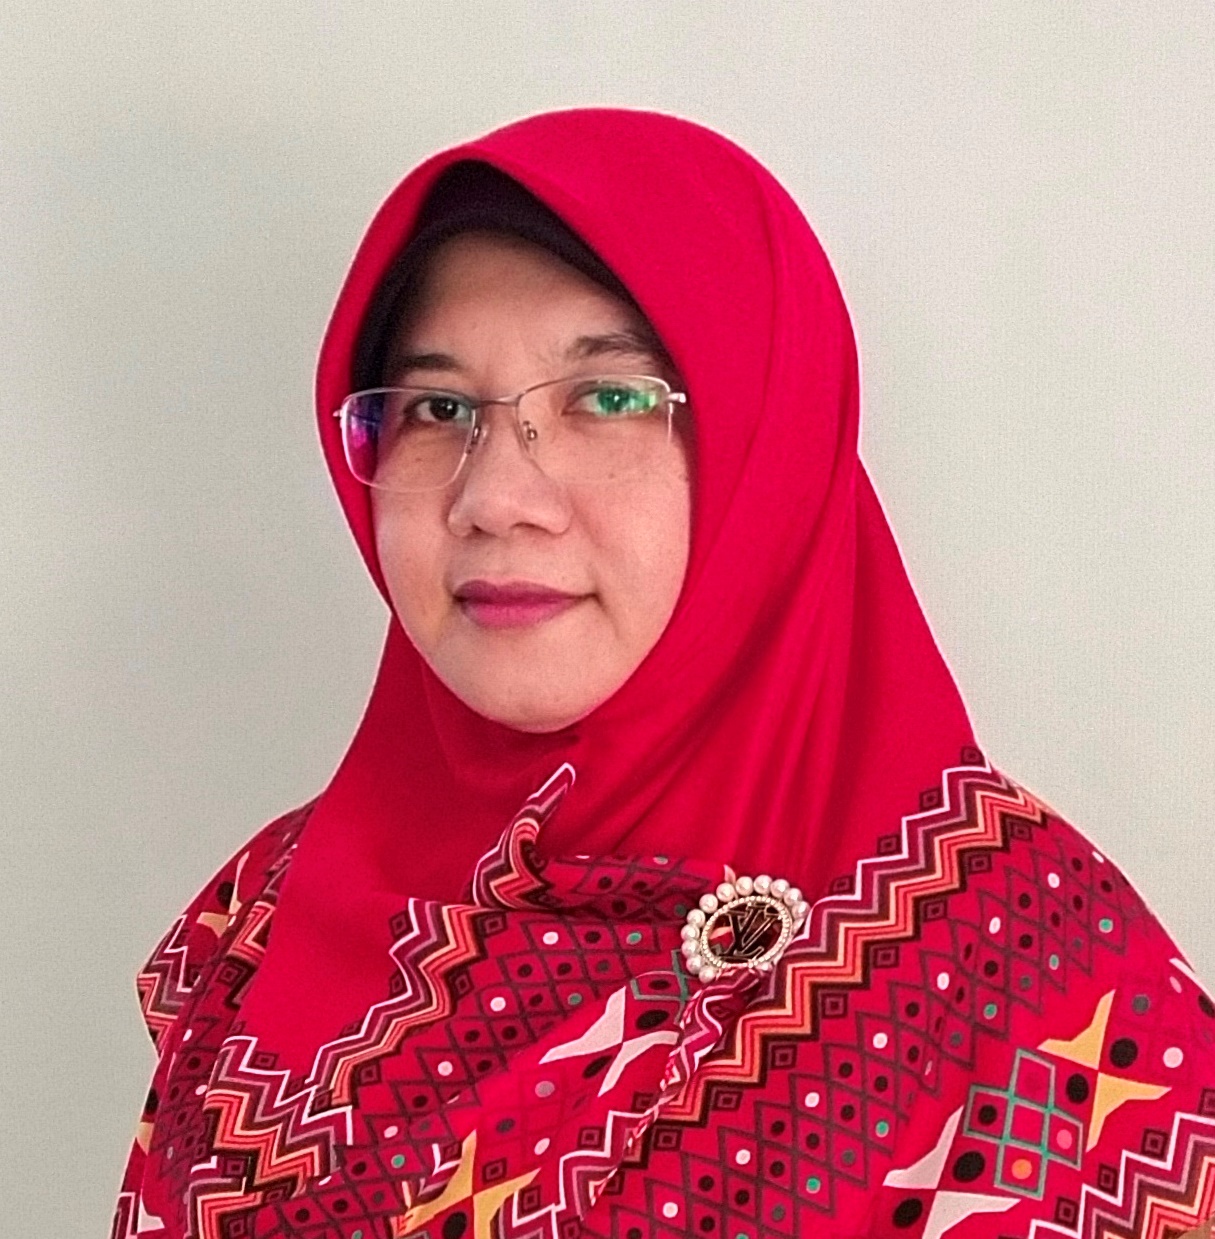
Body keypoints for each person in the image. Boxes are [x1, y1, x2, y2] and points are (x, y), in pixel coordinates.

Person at [112, 109, 1215, 1239]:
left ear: (767, 445)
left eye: (609, 398)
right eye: (439, 409)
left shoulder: (1022, 974)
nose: (494, 499)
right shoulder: (270, 918)